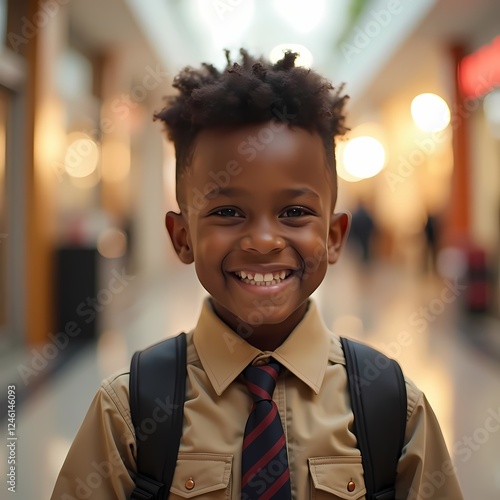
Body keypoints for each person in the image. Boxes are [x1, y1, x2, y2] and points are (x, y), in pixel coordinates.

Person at [51, 49, 463, 499]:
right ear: (182, 237)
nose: (264, 240)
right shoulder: (129, 411)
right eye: (228, 211)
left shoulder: (393, 407)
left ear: (334, 237)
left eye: (294, 211)